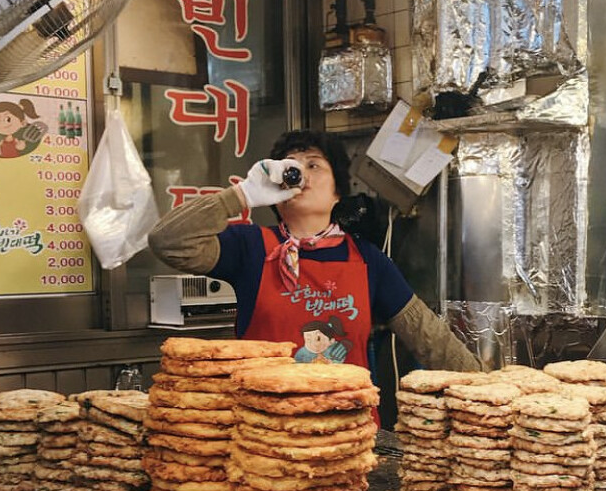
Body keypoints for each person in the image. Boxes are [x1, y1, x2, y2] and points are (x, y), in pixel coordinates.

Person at [148, 129, 481, 375]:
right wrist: (241, 196)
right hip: (263, 432)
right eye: (289, 167)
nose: (299, 175)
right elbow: (168, 241)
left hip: (347, 431)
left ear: (339, 192)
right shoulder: (250, 247)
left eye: (314, 165)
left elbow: (431, 339)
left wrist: (491, 391)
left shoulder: (368, 260)